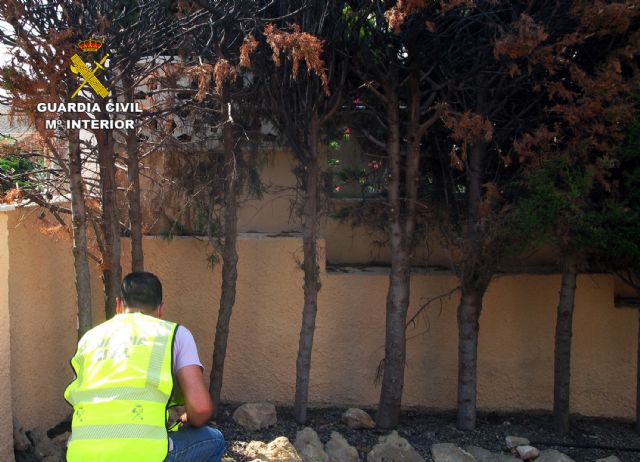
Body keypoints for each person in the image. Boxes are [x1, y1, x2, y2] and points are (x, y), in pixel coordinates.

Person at [64, 272, 226, 462]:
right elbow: (200, 410)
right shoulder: (175, 334)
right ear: (160, 310)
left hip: (82, 455)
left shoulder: (89, 338)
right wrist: (185, 419)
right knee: (214, 439)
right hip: (145, 455)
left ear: (118, 305)